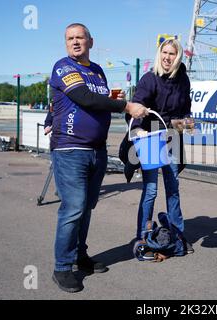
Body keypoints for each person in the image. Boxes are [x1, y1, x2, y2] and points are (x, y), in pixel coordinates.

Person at [49, 23, 148, 293]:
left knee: (87, 206)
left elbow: (96, 96)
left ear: (91, 42)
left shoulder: (97, 71)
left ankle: (80, 256)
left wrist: (132, 98)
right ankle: (62, 267)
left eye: (80, 37)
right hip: (71, 149)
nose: (75, 42)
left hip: (97, 150)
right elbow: (84, 98)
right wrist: (126, 105)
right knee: (73, 207)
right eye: (70, 38)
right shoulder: (63, 67)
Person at [130, 38, 195, 260]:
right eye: (164, 53)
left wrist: (188, 120)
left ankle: (177, 236)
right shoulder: (149, 79)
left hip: (172, 133)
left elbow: (186, 108)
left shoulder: (182, 79)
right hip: (151, 135)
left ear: (178, 57)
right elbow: (137, 105)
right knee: (151, 190)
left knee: (173, 189)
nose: (167, 57)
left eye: (172, 54)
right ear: (160, 54)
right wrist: (138, 129)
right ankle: (142, 236)